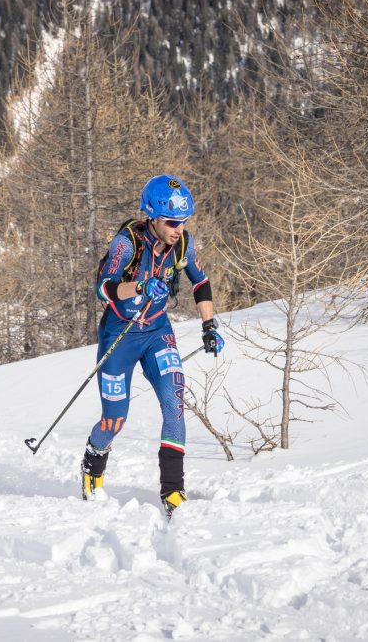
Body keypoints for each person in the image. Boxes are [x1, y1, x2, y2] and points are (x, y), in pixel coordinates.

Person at [83, 175, 224, 517]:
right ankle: (93, 461)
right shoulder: (126, 243)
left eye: (184, 222)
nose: (179, 228)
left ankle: (173, 491)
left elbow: (201, 283)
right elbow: (104, 288)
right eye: (173, 222)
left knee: (174, 403)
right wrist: (141, 287)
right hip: (120, 336)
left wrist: (209, 325)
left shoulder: (182, 244)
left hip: (157, 332)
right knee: (114, 419)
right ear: (153, 215)